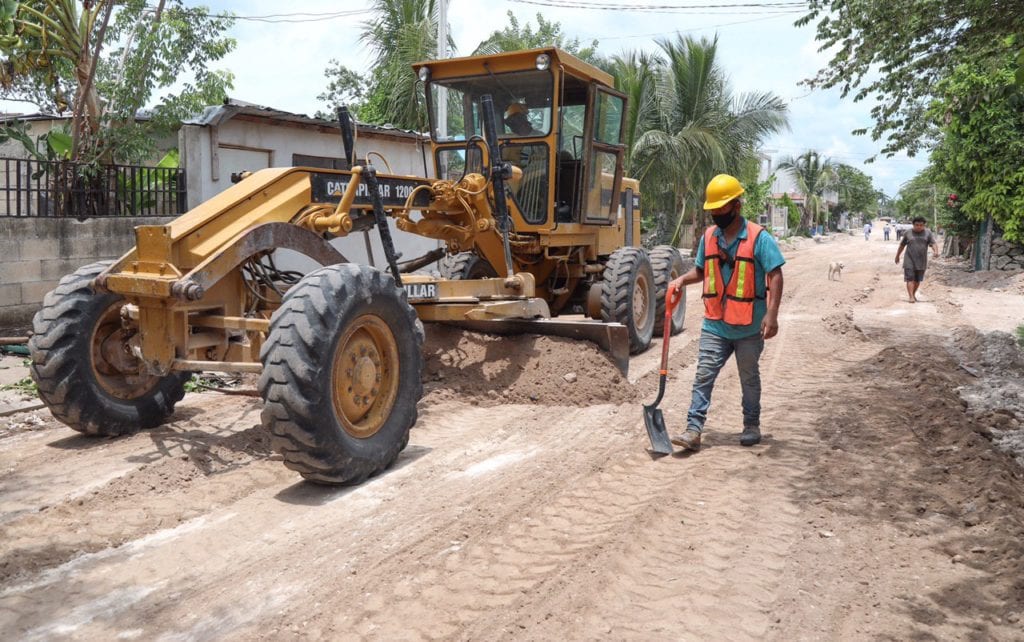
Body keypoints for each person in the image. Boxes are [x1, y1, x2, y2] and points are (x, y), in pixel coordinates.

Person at [666, 174, 786, 451]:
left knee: (749, 377)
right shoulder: (709, 237)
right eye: (714, 209)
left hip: (749, 325)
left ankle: (751, 425)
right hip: (715, 324)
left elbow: (775, 274)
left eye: (721, 208)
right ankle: (693, 430)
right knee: (703, 375)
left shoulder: (759, 237)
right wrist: (681, 281)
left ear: (736, 205)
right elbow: (701, 270)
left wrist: (772, 314)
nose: (716, 214)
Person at [894, 216, 939, 303]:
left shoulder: (928, 233)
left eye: (921, 225)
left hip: (921, 260)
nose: (919, 227)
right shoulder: (908, 233)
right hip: (909, 259)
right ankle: (911, 296)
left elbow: (933, 243)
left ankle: (913, 294)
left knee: (917, 280)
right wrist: (897, 256)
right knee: (910, 278)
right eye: (917, 225)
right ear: (913, 225)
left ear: (924, 225)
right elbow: (902, 245)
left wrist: (936, 251)